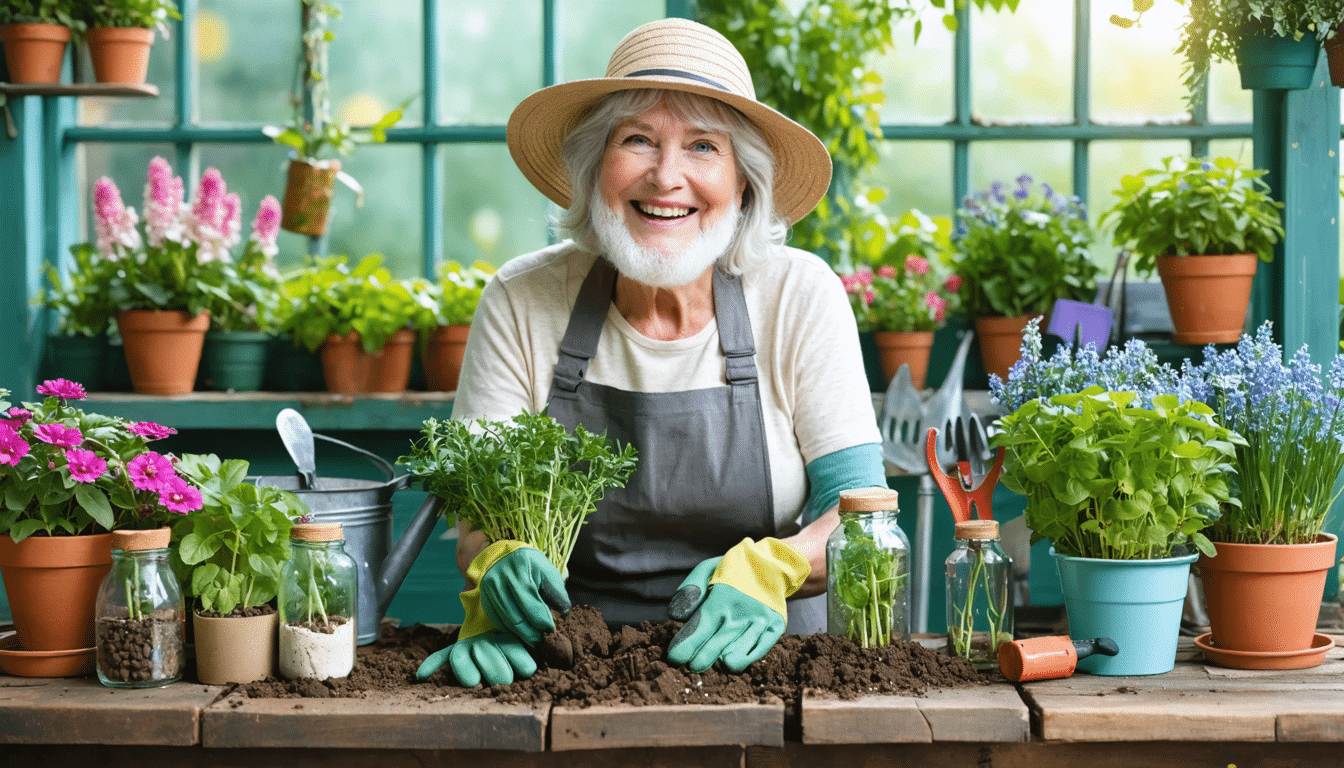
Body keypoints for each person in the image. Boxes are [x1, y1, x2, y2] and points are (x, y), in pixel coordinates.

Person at [417, 17, 886, 687]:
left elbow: (864, 516)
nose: (667, 177)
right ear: (594, 168)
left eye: (703, 147)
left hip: (770, 671)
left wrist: (773, 569)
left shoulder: (798, 296)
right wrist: (493, 566)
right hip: (571, 671)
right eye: (637, 139)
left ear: (743, 182)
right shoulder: (523, 299)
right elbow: (475, 521)